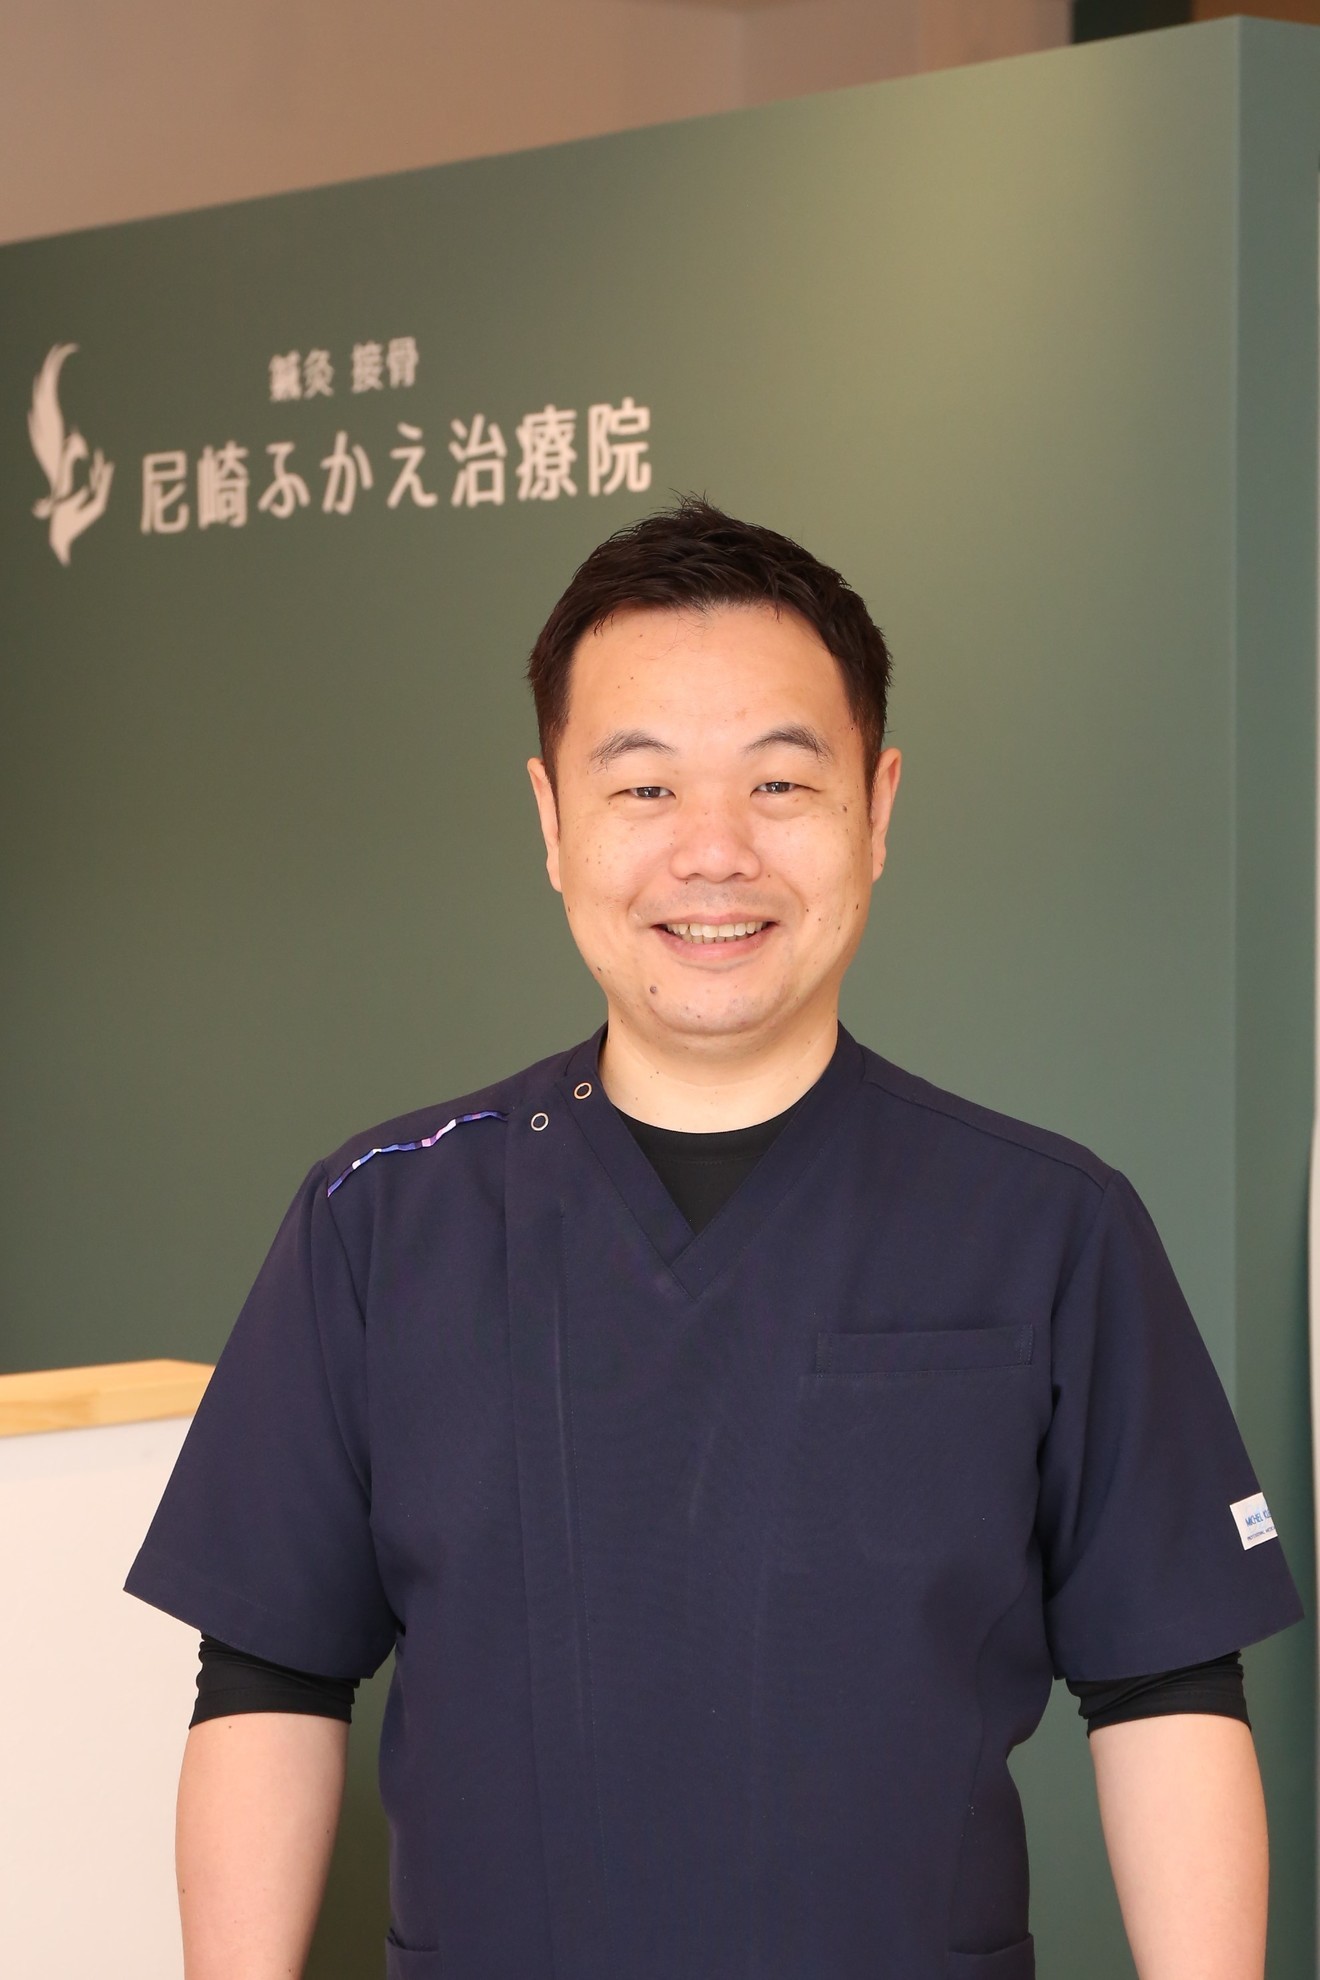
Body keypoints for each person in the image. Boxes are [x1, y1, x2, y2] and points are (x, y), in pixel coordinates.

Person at [126, 498, 1303, 1980]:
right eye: (644, 788)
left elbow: (1167, 1689)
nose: (714, 852)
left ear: (877, 808)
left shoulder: (1049, 1227)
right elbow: (267, 1679)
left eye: (781, 783)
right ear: (552, 822)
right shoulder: (380, 1222)